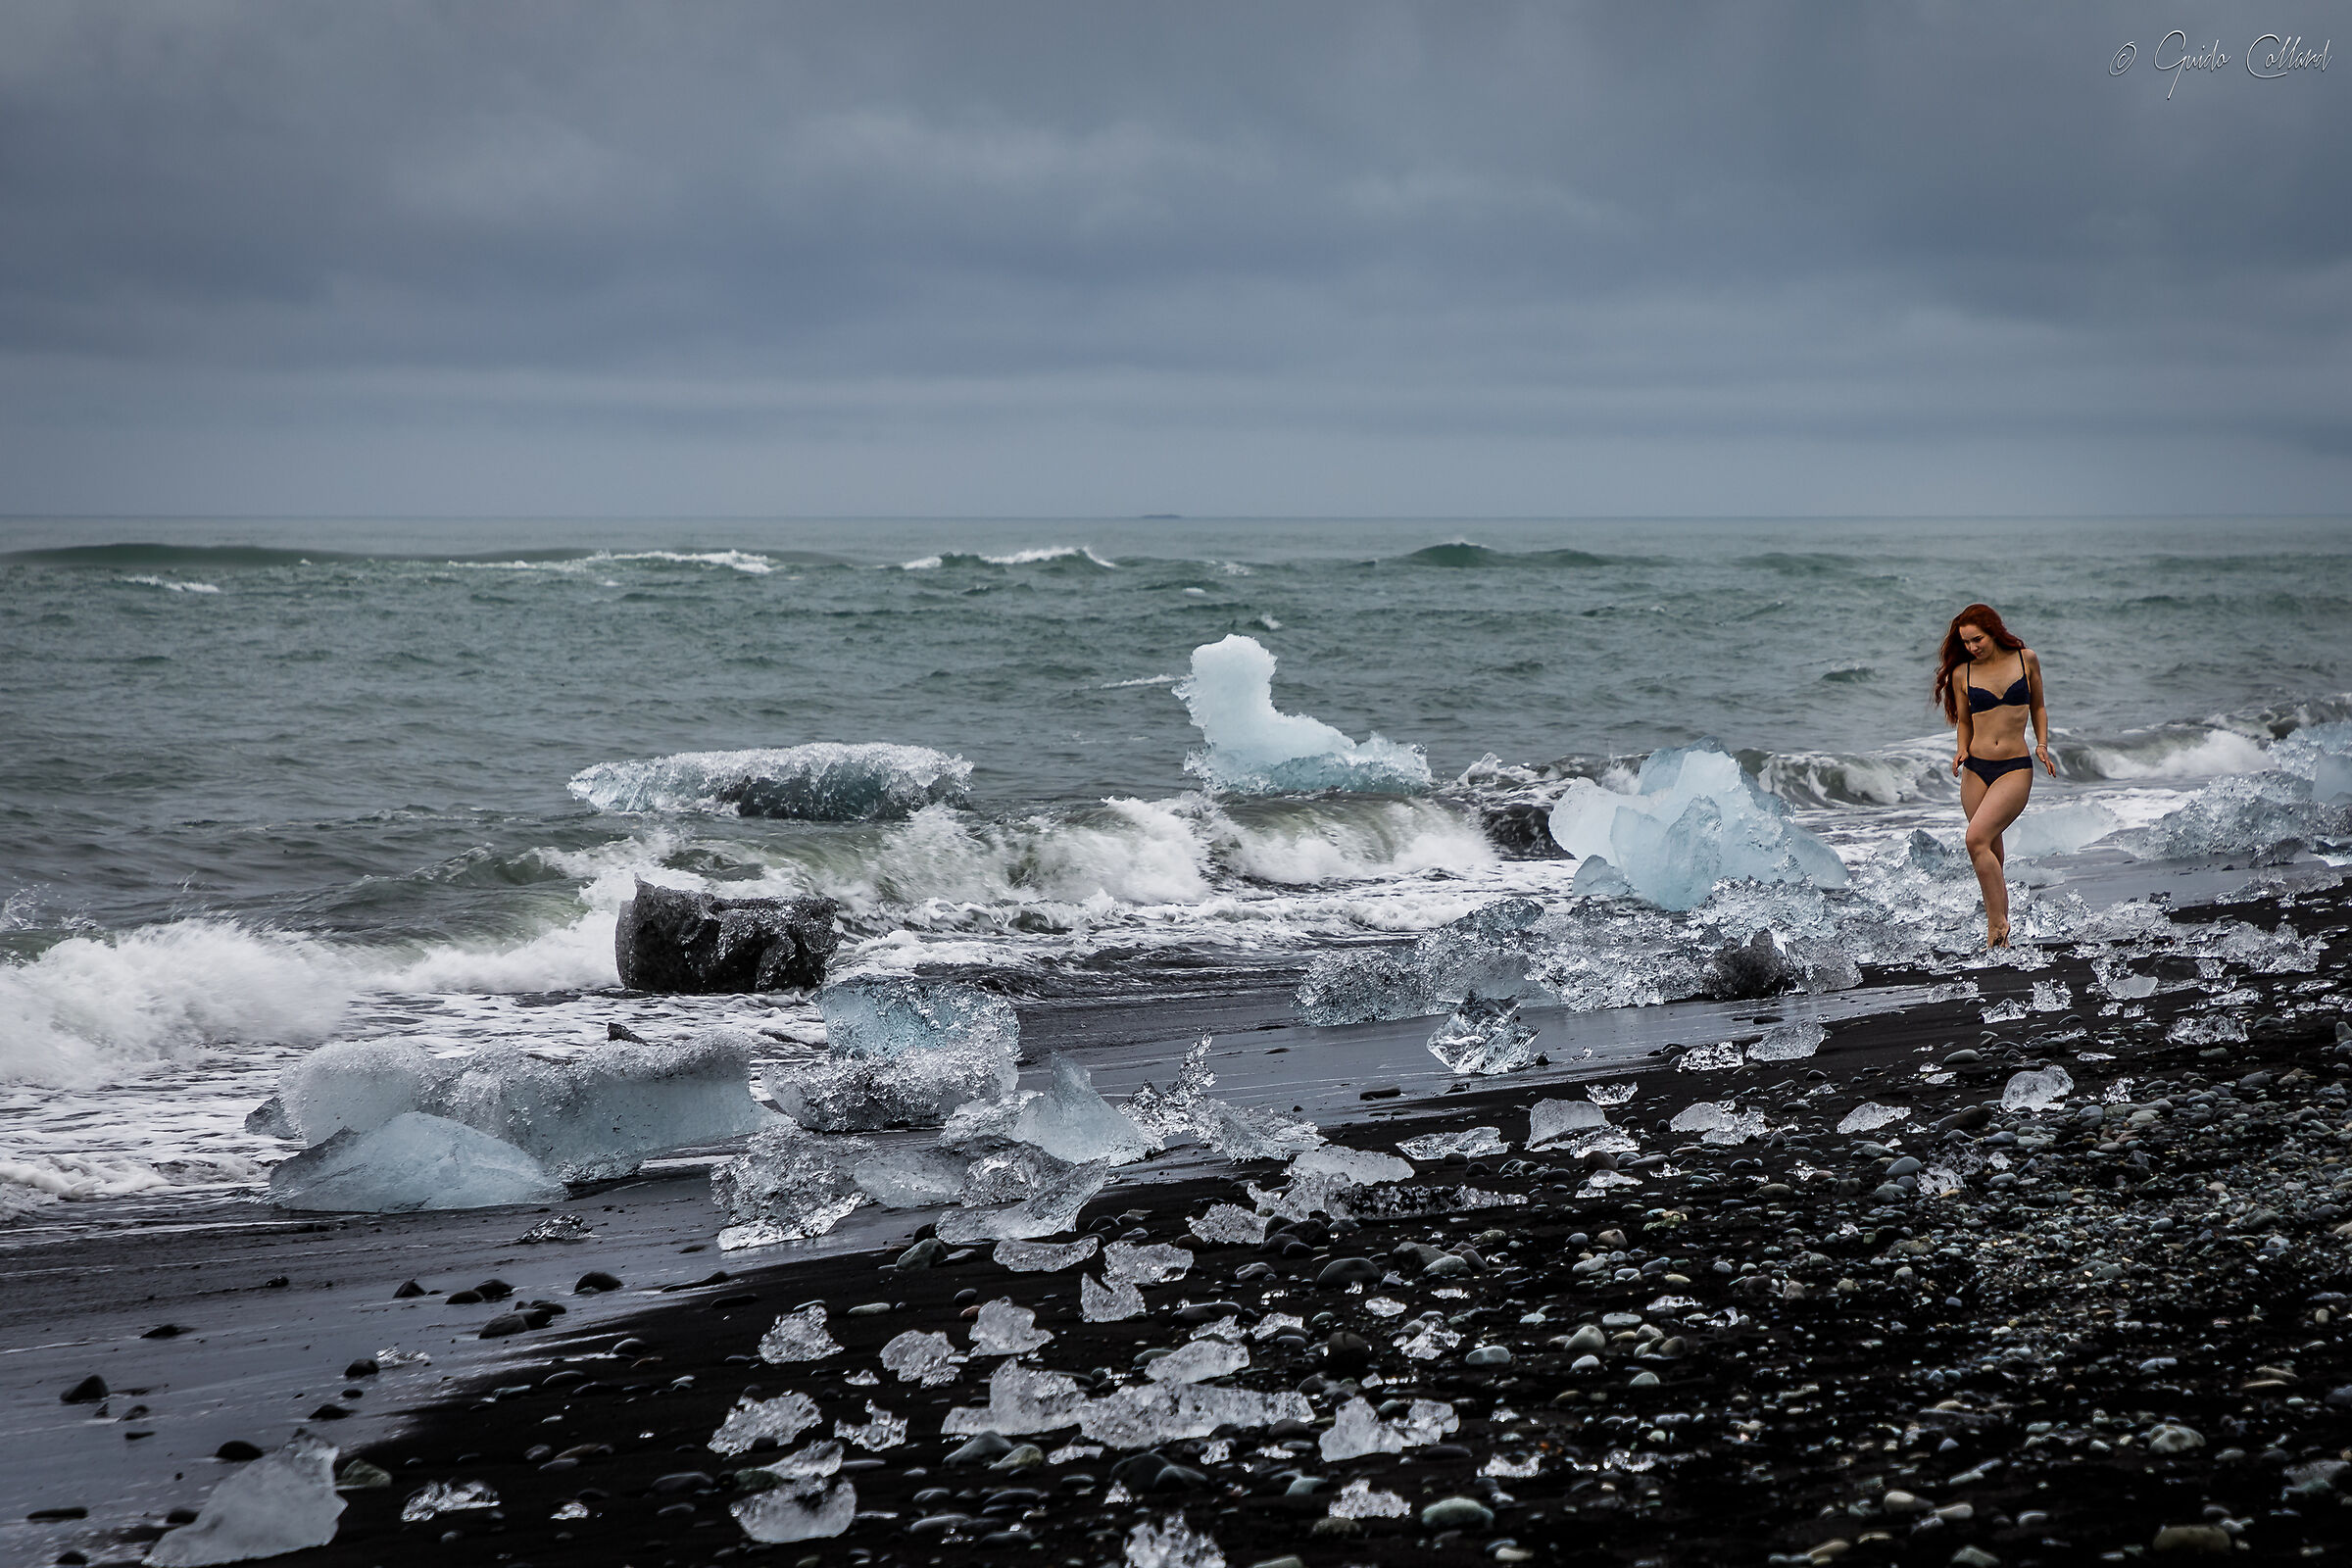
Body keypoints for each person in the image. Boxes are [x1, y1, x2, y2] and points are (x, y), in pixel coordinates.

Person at [1934, 602, 2055, 948]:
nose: (1972, 648)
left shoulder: (2025, 659)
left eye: (1977, 640)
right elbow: (1965, 722)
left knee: (1974, 840)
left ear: (1993, 631)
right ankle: (2002, 935)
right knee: (1989, 850)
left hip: (2014, 767)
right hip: (1976, 769)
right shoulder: (1963, 674)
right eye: (1966, 643)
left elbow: (2039, 706)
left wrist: (2042, 745)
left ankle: (1995, 925)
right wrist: (1961, 749)